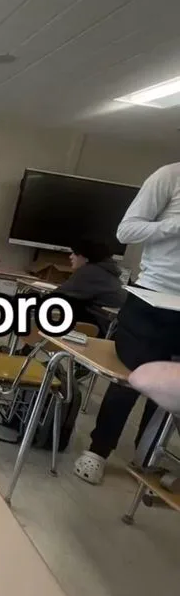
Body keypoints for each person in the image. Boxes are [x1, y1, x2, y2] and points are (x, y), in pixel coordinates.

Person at [73, 163, 180, 485]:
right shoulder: (170, 176)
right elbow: (126, 231)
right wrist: (174, 225)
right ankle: (98, 450)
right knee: (130, 378)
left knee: (171, 387)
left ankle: (147, 457)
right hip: (153, 296)